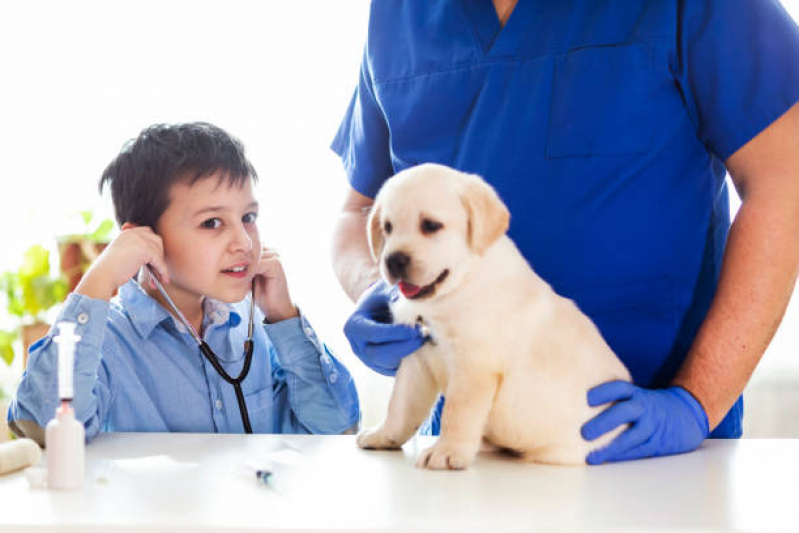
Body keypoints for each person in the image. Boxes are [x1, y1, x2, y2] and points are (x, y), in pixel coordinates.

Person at [330, 0, 799, 463]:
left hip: (651, 441)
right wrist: (373, 287)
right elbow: (359, 210)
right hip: (472, 444)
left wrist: (696, 400)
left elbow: (785, 182)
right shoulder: (397, 13)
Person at [8, 122, 359, 441]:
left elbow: (337, 428)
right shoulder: (105, 344)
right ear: (143, 239)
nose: (245, 243)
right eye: (212, 223)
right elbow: (41, 428)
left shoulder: (259, 337)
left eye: (248, 217)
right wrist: (99, 278)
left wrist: (285, 316)